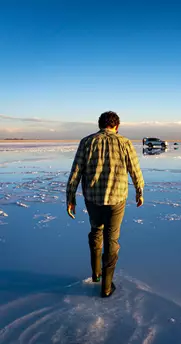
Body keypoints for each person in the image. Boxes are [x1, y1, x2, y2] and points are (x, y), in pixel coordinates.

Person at [66, 111, 144, 298]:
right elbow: (135, 169)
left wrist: (70, 197)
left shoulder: (86, 142)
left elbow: (76, 171)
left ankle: (96, 274)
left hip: (92, 197)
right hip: (117, 198)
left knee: (96, 230)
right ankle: (107, 287)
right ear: (117, 126)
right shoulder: (124, 142)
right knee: (112, 239)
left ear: (100, 124)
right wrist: (140, 191)